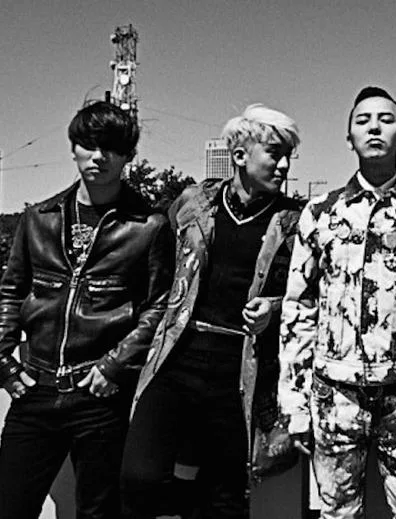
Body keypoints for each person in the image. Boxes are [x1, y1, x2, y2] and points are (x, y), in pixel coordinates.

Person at [277, 86, 396, 518]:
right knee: (337, 513)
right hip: (334, 394)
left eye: (387, 119)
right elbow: (299, 310)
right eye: (363, 121)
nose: (375, 128)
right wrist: (295, 402)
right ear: (349, 138)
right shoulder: (321, 213)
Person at [120, 104, 303, 518]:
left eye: (288, 156)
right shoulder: (193, 202)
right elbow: (159, 269)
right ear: (239, 155)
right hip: (177, 356)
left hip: (241, 370)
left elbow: (312, 295)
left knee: (224, 497)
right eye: (274, 153)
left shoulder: (294, 220)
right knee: (139, 477)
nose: (284, 165)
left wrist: (274, 308)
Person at [0, 101, 173, 518]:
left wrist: (114, 366)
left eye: (111, 147)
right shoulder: (38, 218)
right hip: (36, 386)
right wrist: (4, 361)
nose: (99, 156)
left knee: (99, 511)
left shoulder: (149, 226)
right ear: (73, 148)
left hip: (100, 393)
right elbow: (11, 292)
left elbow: (159, 307)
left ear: (128, 156)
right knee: (10, 504)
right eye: (89, 145)